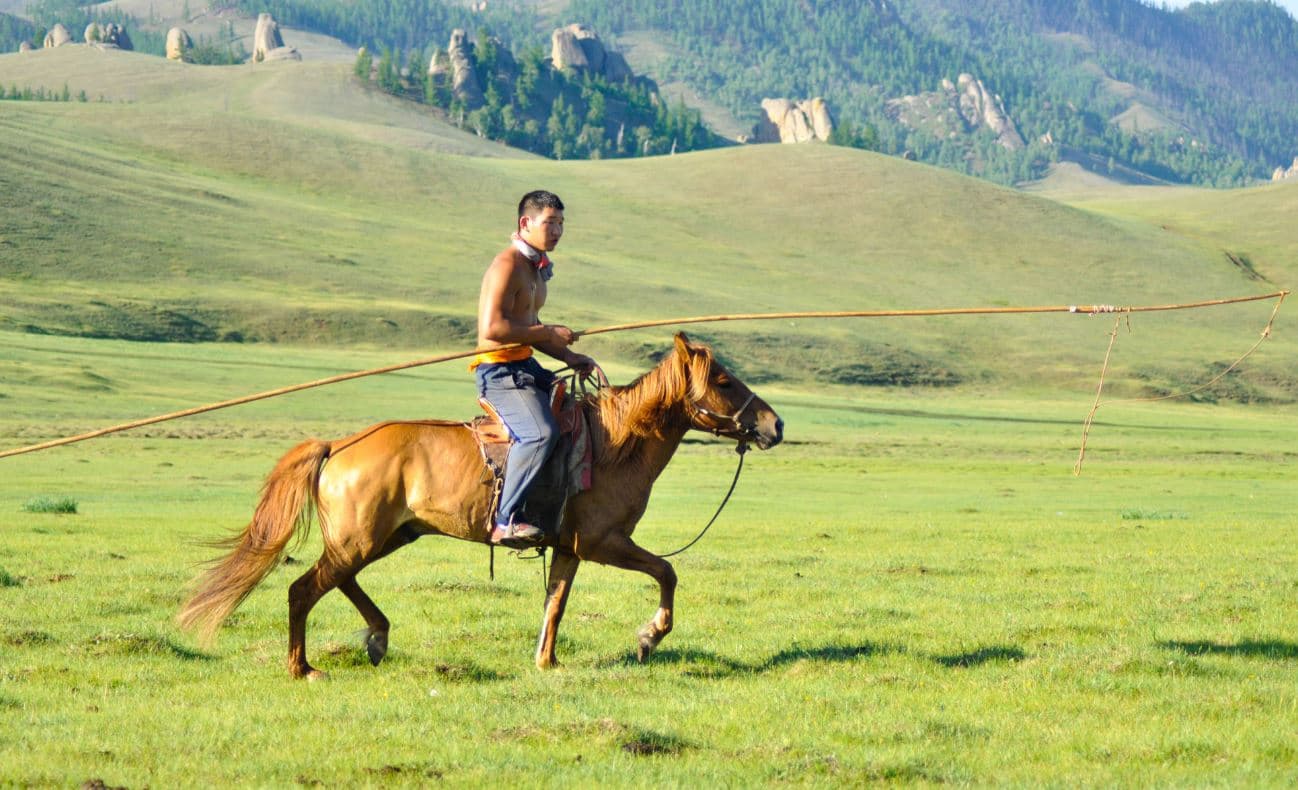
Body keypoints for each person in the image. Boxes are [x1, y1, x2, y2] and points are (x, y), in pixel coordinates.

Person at [472, 190, 596, 547]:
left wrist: (569, 357)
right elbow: (493, 329)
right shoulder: (507, 265)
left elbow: (528, 327)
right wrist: (547, 332)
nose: (557, 231)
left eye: (561, 223)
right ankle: (505, 520)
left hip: (525, 363)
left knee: (579, 417)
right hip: (499, 372)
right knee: (540, 433)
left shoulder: (535, 269)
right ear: (526, 223)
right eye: (550, 223)